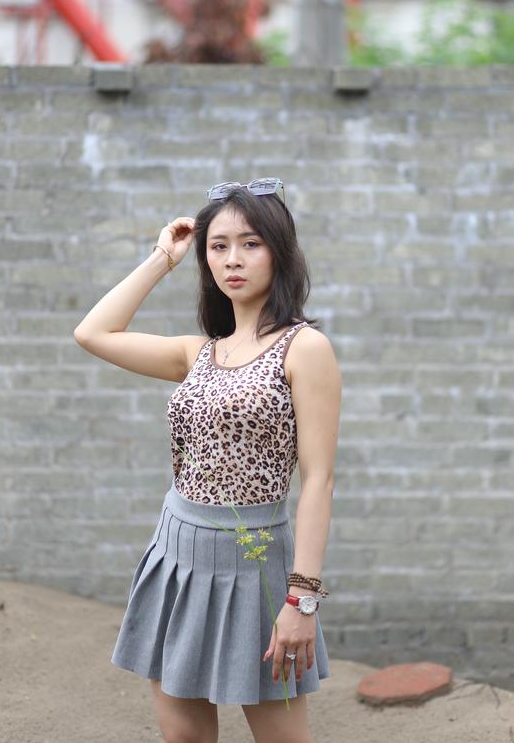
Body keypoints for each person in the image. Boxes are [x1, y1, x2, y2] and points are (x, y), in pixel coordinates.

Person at [73, 177, 342, 743]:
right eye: (218, 246)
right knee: (184, 737)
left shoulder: (304, 348)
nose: (232, 259)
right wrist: (162, 259)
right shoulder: (198, 353)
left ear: (279, 251)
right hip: (176, 555)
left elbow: (318, 480)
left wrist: (302, 599)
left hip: (255, 564)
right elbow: (92, 332)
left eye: (250, 243)